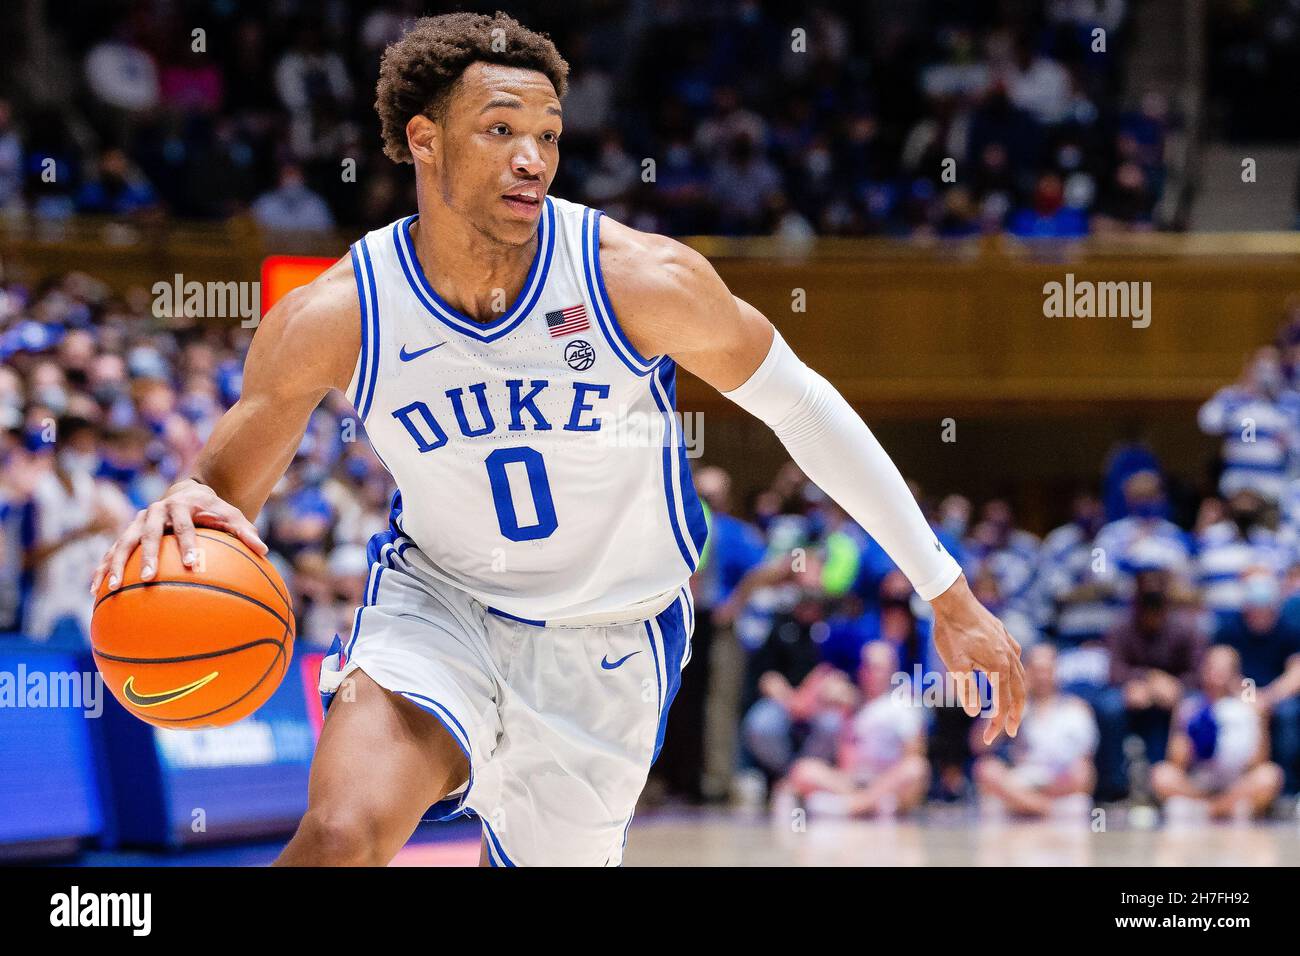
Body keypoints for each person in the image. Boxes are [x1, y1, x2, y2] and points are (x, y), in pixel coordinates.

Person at [92, 12, 1024, 867]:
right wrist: (185, 509)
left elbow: (805, 410)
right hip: (442, 605)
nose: (532, 158)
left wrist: (945, 590)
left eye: (547, 135)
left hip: (610, 639)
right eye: (500, 131)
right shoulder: (336, 314)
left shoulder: (639, 279)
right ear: (425, 138)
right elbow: (219, 492)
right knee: (339, 833)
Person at [779, 640, 929, 818]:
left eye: (877, 667)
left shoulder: (902, 705)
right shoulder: (851, 700)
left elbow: (914, 754)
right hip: (850, 781)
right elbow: (800, 709)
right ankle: (868, 805)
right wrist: (824, 697)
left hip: (885, 780)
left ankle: (855, 806)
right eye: (867, 666)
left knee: (916, 768)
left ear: (892, 670)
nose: (871, 673)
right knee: (803, 770)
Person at [1151, 645, 1284, 821]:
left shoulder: (1251, 708)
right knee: (1161, 774)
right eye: (1212, 668)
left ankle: (1205, 810)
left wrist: (1260, 721)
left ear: (1236, 674)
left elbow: (1259, 762)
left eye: (1224, 669)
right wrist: (1191, 734)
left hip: (1236, 783)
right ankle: (1227, 809)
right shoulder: (1189, 707)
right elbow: (1176, 762)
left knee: (1270, 775)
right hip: (1198, 784)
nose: (1217, 675)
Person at [972, 644, 1098, 819]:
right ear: (1026, 672)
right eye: (1036, 670)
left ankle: (1027, 805)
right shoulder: (1012, 705)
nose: (1042, 676)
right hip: (1021, 777)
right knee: (986, 769)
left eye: (1047, 670)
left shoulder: (1076, 708)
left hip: (1058, 780)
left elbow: (1085, 763)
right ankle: (1044, 809)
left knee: (1083, 771)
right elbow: (979, 745)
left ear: (1057, 671)